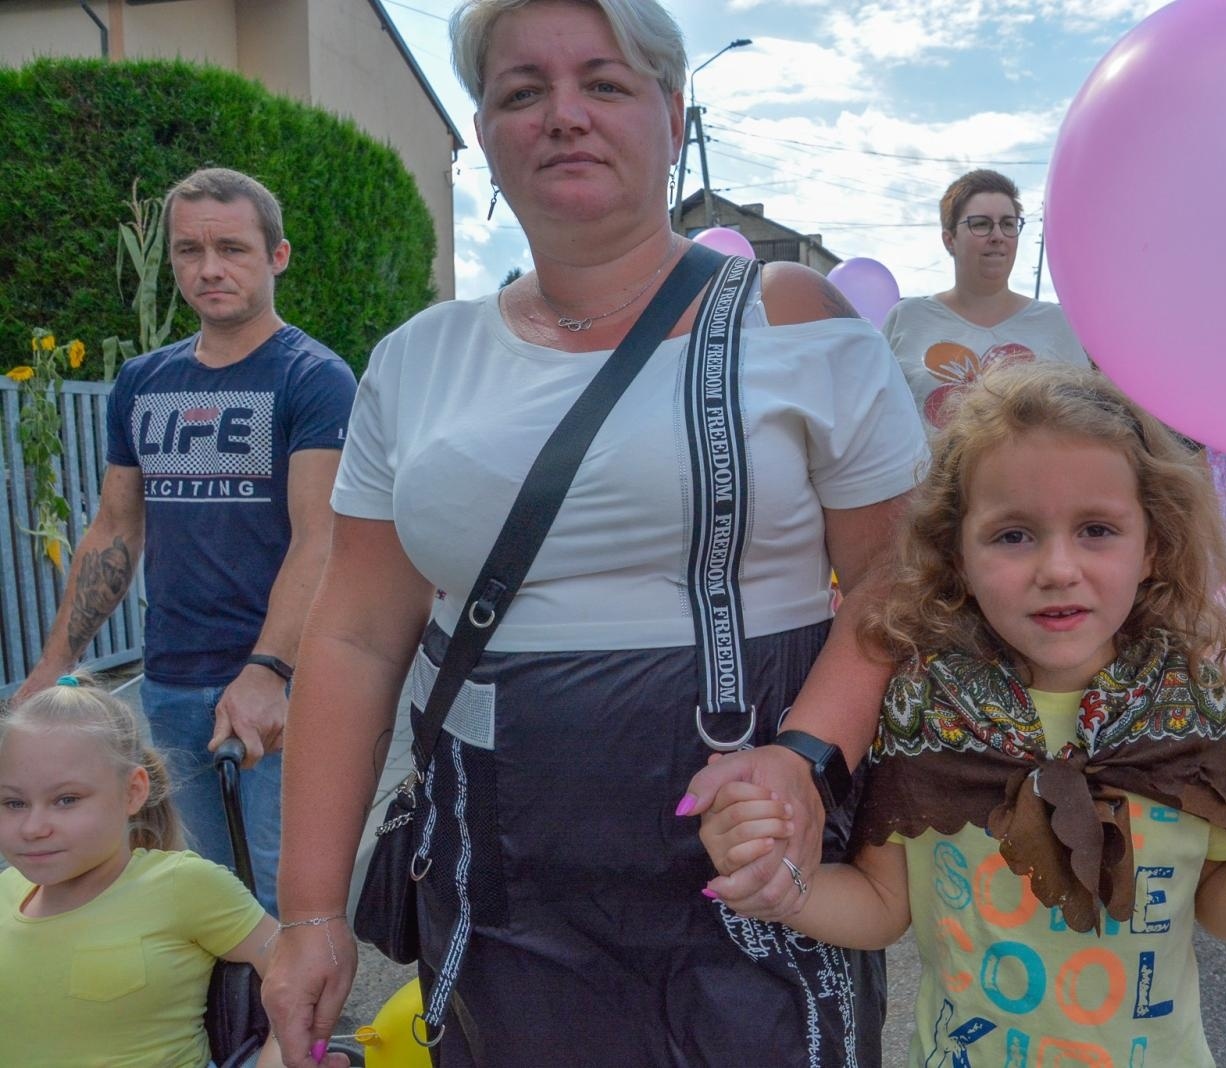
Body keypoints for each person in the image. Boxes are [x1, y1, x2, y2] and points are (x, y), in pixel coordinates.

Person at [261, 1, 924, 1065]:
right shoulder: (418, 359)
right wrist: (309, 912)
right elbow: (353, 633)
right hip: (499, 873)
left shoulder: (790, 317)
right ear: (485, 134)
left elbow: (898, 579)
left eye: (604, 84)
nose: (564, 115)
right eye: (523, 91)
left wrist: (805, 759)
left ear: (670, 114)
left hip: (749, 853)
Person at [700, 364, 1226, 1067]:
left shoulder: (1188, 703)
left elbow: (1216, 901)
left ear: (1152, 546)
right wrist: (782, 883)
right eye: (1013, 536)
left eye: (1097, 529)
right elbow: (883, 906)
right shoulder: (925, 711)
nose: (1058, 568)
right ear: (957, 555)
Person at [11, 168, 356, 916]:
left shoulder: (314, 379)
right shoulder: (144, 381)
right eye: (188, 251)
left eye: (231, 248)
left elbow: (318, 539)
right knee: (199, 891)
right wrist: (54, 665)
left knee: (286, 891)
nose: (208, 268)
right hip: (170, 677)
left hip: (285, 685)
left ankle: (301, 1035)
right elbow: (115, 528)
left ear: (278, 256)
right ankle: (227, 1033)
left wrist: (267, 671)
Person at [0, 676, 282, 1067]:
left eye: (66, 800)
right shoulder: (5, 892)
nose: (33, 828)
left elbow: (299, 971)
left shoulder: (183, 885)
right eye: (13, 803)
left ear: (133, 791)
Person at [882, 169, 1089, 432]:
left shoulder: (1055, 323)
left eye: (1008, 224)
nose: (997, 235)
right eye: (980, 224)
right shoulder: (907, 319)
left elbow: (1082, 424)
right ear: (949, 240)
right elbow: (879, 424)